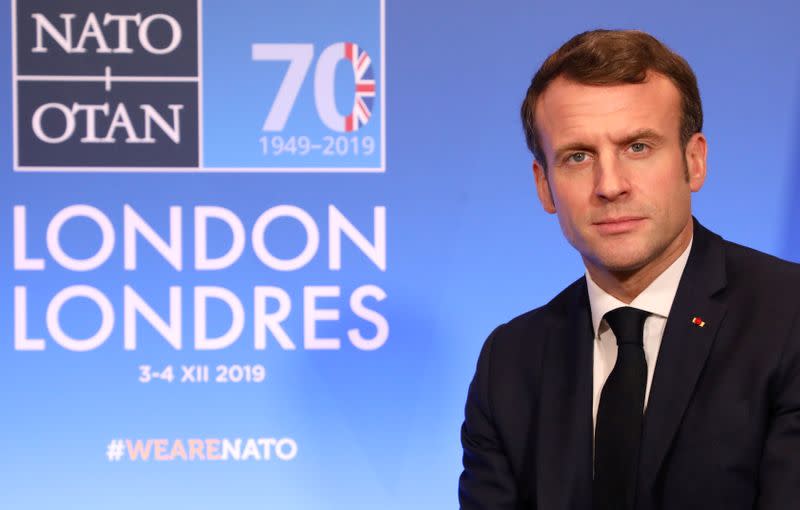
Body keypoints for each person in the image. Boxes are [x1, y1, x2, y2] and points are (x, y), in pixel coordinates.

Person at [458, 29, 800, 510]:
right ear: (545, 186)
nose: (610, 185)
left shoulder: (788, 317)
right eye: (578, 157)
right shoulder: (510, 364)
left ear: (694, 161)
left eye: (637, 147)